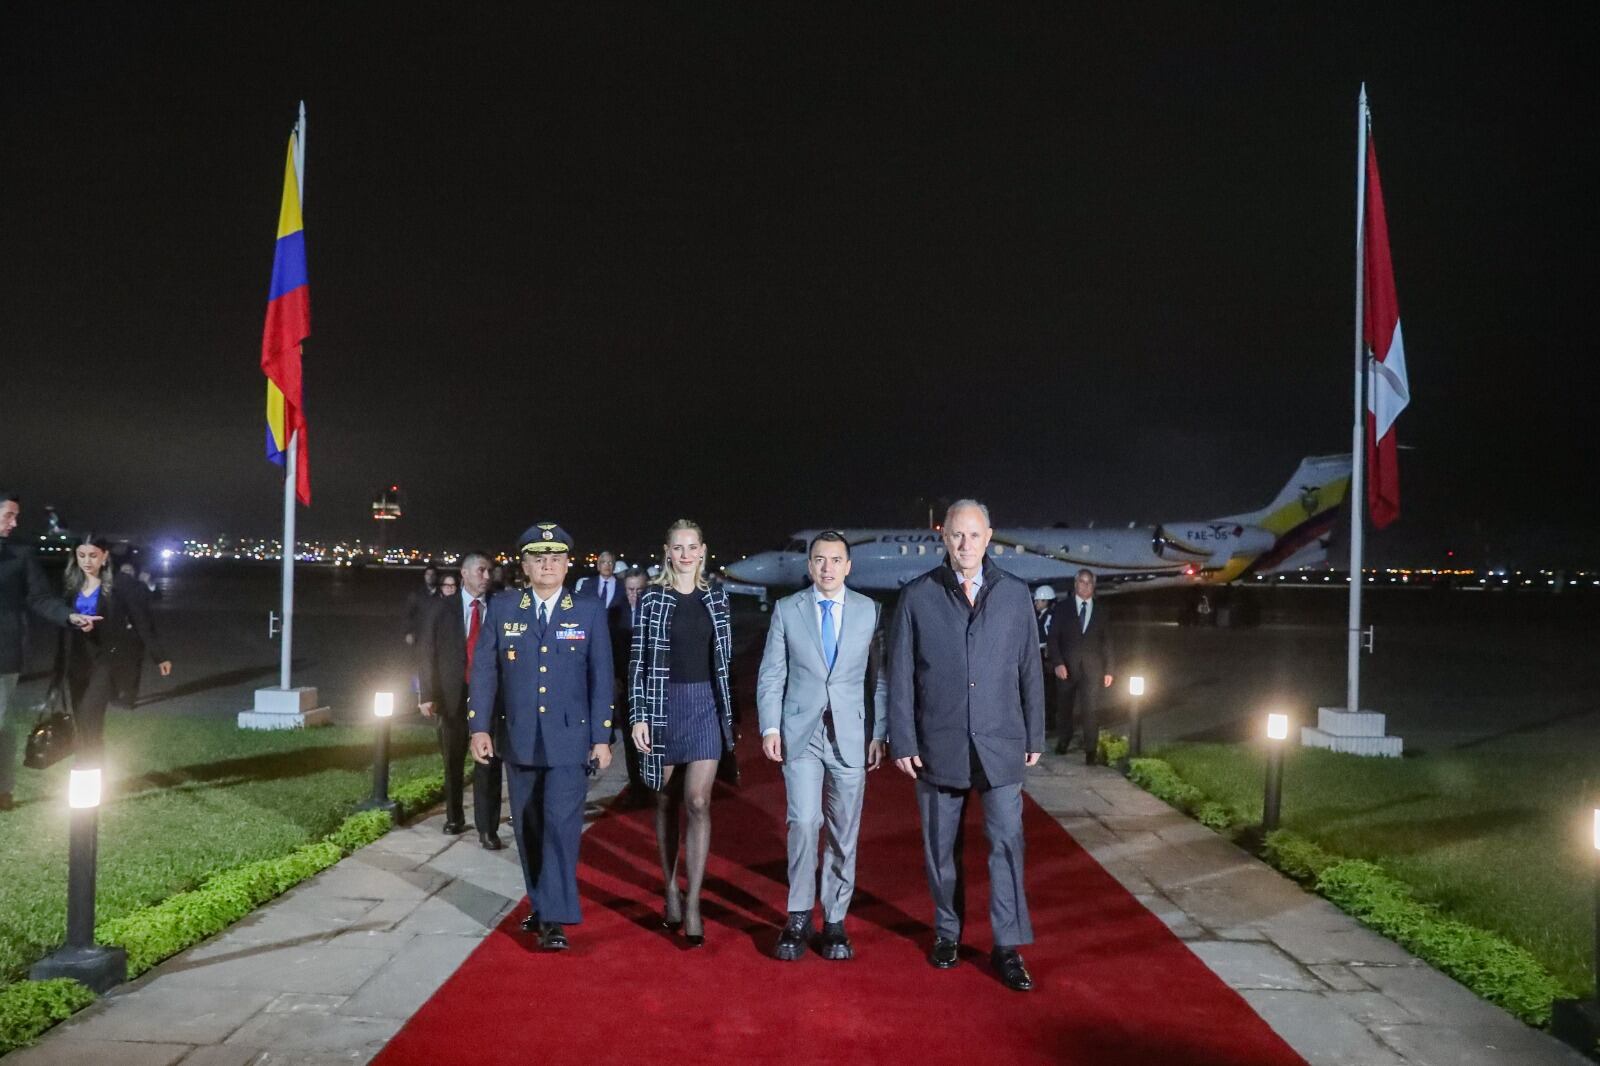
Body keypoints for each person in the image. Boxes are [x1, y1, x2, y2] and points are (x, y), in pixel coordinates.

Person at [888, 500, 1043, 992]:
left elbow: (1029, 670)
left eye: (974, 536)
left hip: (1000, 743)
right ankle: (948, 932)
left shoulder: (1014, 595)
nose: (965, 545)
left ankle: (1007, 946)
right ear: (944, 537)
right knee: (940, 848)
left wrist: (1035, 732)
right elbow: (901, 677)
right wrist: (903, 739)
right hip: (939, 743)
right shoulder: (917, 596)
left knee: (1005, 842)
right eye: (957, 535)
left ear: (989, 537)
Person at [468, 523, 613, 951]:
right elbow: (484, 670)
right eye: (538, 557)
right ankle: (542, 899)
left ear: (568, 565)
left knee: (561, 824)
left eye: (555, 557)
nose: (547, 564)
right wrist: (479, 727)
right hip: (520, 737)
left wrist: (602, 737)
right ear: (525, 565)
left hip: (570, 740)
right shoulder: (504, 607)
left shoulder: (587, 611)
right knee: (529, 825)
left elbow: (601, 676)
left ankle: (555, 919)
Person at [757, 531, 887, 961]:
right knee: (804, 822)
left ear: (848, 566)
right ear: (809, 566)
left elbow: (879, 678)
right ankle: (797, 916)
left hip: (850, 734)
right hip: (802, 732)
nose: (827, 567)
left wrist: (879, 732)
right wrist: (770, 727)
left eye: (836, 560)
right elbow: (772, 673)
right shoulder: (787, 610)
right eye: (819, 560)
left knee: (844, 832)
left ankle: (834, 920)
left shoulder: (869, 611)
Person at [629, 519, 736, 947]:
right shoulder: (652, 598)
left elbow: (724, 661)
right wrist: (638, 715)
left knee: (698, 800)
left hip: (706, 706)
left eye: (693, 546)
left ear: (703, 551)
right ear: (668, 552)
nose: (686, 554)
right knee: (664, 800)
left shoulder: (718, 598)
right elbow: (637, 661)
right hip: (662, 706)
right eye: (679, 547)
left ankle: (693, 902)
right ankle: (670, 888)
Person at [1, 493, 93, 811]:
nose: (15, 522)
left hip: (4, 653)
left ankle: (3, 790)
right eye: (9, 515)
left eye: (16, 516)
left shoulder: (19, 555)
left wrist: (69, 615)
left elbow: (40, 597)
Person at [57, 535, 173, 767]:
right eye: (81, 555)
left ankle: (90, 769)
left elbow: (141, 621)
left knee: (90, 715)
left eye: (93, 555)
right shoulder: (72, 586)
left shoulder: (120, 585)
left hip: (106, 661)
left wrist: (159, 655)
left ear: (105, 556)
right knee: (82, 721)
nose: (87, 561)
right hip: (78, 662)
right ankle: (87, 773)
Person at [419, 557, 505, 848]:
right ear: (464, 573)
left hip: (491, 695)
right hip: (453, 695)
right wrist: (427, 695)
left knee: (489, 762)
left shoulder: (500, 606)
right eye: (480, 570)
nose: (486, 576)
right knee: (453, 759)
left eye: (489, 571)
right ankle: (454, 816)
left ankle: (487, 828)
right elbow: (427, 652)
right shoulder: (442, 608)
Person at [1047, 568, 1116, 762]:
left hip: (1093, 669)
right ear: (1075, 584)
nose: (1085, 586)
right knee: (1065, 708)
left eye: (1089, 583)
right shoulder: (1063, 608)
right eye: (1082, 582)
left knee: (1091, 709)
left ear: (1093, 587)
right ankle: (1064, 740)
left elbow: (1107, 641)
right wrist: (1058, 663)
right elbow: (1053, 638)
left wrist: (1110, 669)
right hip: (1067, 668)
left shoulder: (1101, 610)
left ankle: (1090, 749)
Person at [614, 569, 651, 799]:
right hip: (626, 684)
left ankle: (654, 781)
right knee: (630, 737)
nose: (634, 595)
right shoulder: (615, 615)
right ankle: (637, 786)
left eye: (639, 589)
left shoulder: (658, 612)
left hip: (652, 684)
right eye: (630, 589)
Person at [111, 560, 162, 707]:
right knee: (113, 665)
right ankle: (113, 694)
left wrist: (148, 584)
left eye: (130, 571)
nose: (127, 573)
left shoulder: (139, 587)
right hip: (117, 634)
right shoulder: (114, 587)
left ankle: (129, 698)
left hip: (136, 634)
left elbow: (156, 596)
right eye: (124, 570)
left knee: (134, 668)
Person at [403, 565, 439, 646]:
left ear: (436, 577)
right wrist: (408, 632)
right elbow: (408, 614)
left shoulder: (441, 594)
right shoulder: (416, 594)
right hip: (420, 634)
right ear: (424, 576)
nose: (430, 577)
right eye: (428, 574)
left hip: (437, 635)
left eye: (432, 574)